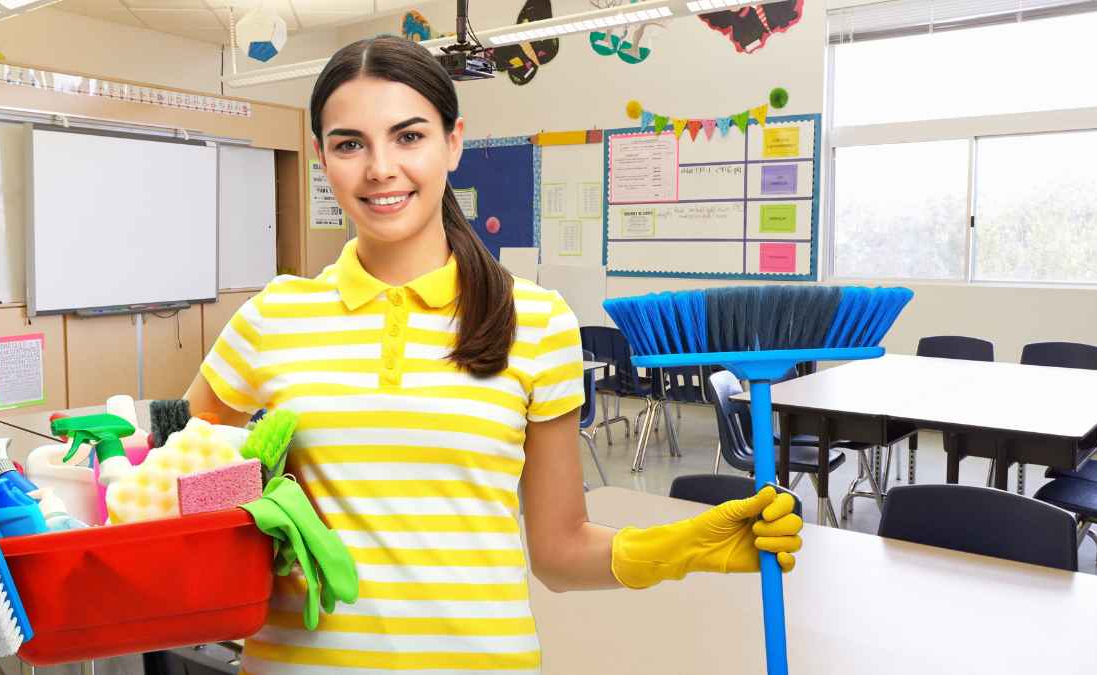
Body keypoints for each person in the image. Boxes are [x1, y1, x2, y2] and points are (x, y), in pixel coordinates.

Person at [185, 35, 802, 675]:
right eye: (349, 144)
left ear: (453, 142)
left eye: (409, 136)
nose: (380, 168)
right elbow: (171, 490)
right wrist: (261, 522)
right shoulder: (270, 319)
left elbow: (560, 554)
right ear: (322, 156)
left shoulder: (533, 321)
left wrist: (683, 547)